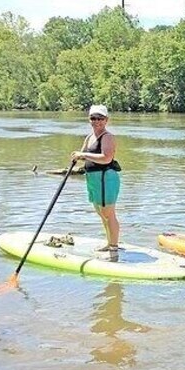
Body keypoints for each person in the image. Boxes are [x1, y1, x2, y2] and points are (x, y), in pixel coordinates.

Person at [71, 105, 121, 259]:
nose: (97, 121)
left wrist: (83, 155)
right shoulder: (89, 137)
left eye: (100, 118)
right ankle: (109, 243)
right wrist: (76, 158)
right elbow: (82, 155)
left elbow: (107, 158)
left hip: (106, 179)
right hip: (93, 179)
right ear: (89, 119)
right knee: (101, 213)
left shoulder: (107, 137)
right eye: (93, 118)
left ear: (106, 120)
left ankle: (114, 248)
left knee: (108, 213)